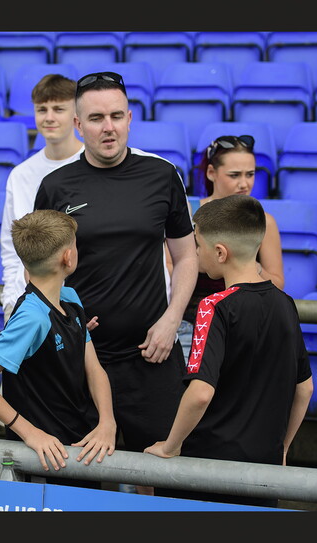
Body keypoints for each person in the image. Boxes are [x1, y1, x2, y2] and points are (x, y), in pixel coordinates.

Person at [33, 71, 198, 495]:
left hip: (152, 355)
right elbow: (39, 271)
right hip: (80, 360)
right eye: (96, 118)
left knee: (163, 476)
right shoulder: (55, 186)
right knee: (76, 482)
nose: (108, 127)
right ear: (78, 125)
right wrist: (64, 320)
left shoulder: (162, 175)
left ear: (130, 118)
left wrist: (171, 320)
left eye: (117, 116)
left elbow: (186, 257)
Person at [144, 195, 314, 508]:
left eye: (198, 245)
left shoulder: (213, 306)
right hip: (264, 469)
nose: (195, 252)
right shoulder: (285, 303)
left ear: (220, 253)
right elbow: (305, 389)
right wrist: (282, 449)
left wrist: (170, 446)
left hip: (207, 468)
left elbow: (200, 394)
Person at [0, 210, 116, 485]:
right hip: (45, 456)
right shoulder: (32, 317)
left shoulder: (70, 298)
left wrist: (107, 422)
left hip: (81, 444)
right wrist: (30, 432)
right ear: (68, 257)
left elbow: (94, 369)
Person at [0, 74, 85, 323]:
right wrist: (11, 301)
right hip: (29, 306)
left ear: (76, 114)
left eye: (58, 109)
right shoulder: (20, 175)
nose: (49, 117)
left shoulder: (92, 166)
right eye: (41, 109)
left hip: (81, 304)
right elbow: (10, 248)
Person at [184, 134, 285, 322]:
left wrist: (250, 266)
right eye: (234, 175)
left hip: (245, 318)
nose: (244, 184)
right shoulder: (188, 213)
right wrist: (196, 262)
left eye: (250, 174)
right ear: (211, 172)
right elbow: (168, 269)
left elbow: (277, 285)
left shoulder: (264, 221)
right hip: (192, 320)